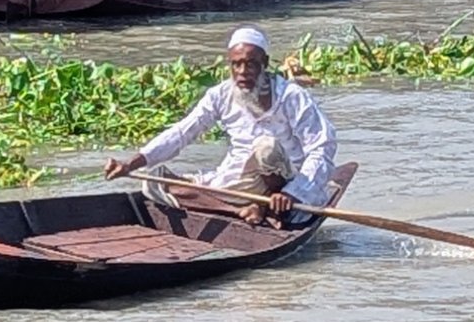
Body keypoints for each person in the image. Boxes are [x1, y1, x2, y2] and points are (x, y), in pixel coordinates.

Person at [105, 26, 337, 224]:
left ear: (264, 63)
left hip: (286, 181)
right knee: (152, 180)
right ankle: (244, 209)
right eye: (236, 65)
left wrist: (293, 193)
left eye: (251, 64)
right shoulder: (220, 94)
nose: (242, 72)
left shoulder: (291, 96)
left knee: (266, 147)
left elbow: (322, 147)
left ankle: (266, 202)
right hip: (239, 181)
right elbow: (183, 132)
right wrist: (131, 164)